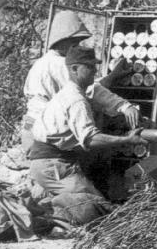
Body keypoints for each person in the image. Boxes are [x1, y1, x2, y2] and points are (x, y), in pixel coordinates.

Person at [28, 46, 143, 226]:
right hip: (53, 164)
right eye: (89, 67)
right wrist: (127, 140)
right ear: (74, 69)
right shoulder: (75, 100)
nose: (95, 70)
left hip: (51, 162)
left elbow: (98, 89)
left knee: (92, 203)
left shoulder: (72, 92)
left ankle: (50, 204)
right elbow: (91, 139)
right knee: (99, 209)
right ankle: (48, 213)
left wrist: (123, 105)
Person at [21, 9, 140, 153]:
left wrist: (112, 76)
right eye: (74, 42)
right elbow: (91, 91)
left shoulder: (42, 63)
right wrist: (124, 106)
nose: (77, 46)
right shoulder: (59, 64)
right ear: (62, 41)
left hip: (33, 132)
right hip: (44, 137)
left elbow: (84, 87)